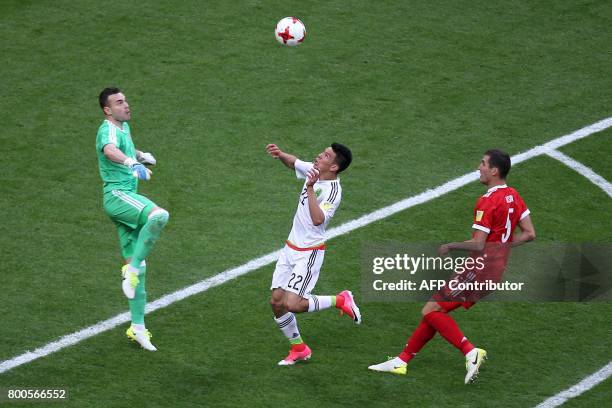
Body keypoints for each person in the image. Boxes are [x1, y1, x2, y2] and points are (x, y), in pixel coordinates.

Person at [368, 149, 536, 384]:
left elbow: (478, 244)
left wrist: (451, 246)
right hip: (494, 269)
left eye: (483, 163)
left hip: (479, 268)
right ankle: (402, 361)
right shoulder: (514, 196)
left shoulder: (487, 201)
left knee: (431, 310)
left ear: (494, 171)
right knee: (435, 310)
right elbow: (529, 234)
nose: (479, 167)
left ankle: (470, 352)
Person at [266, 143, 361, 366]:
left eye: (326, 155)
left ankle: (340, 299)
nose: (319, 155)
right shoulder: (314, 171)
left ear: (335, 166)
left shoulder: (333, 192)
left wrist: (309, 188)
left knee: (294, 304)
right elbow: (293, 163)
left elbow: (319, 219)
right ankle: (299, 348)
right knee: (277, 302)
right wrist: (280, 154)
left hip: (308, 253)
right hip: (290, 248)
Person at [95, 87, 170, 351]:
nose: (126, 105)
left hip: (123, 196)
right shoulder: (108, 129)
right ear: (107, 110)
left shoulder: (122, 128)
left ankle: (137, 328)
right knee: (159, 216)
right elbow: (109, 150)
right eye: (119, 102)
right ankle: (132, 270)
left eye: (125, 100)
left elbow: (124, 146)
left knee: (139, 267)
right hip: (118, 196)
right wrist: (131, 163)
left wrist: (140, 155)